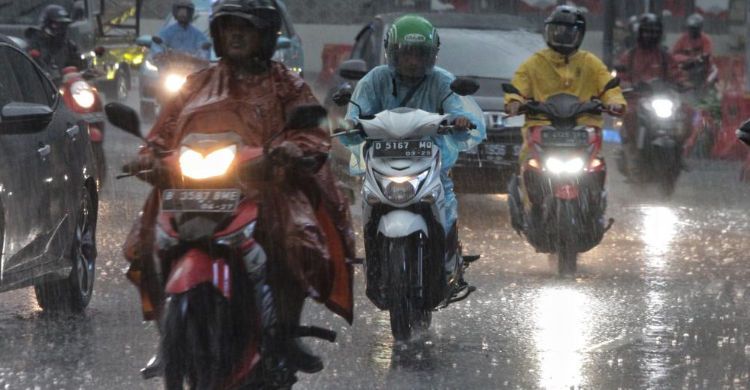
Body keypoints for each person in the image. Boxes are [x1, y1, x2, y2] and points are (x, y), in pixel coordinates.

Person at [124, 0, 355, 376]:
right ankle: (167, 335)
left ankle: (286, 330)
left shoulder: (287, 84)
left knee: (298, 237)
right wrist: (146, 155)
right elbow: (163, 133)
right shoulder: (196, 83)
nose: (235, 34)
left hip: (266, 187)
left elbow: (313, 131)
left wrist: (292, 148)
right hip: (194, 186)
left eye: (244, 27)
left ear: (264, 34)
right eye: (228, 26)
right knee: (146, 237)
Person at [339, 14, 486, 241]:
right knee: (369, 206)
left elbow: (456, 108)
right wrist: (351, 124)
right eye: (406, 53)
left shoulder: (442, 81)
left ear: (432, 54)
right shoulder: (375, 79)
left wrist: (460, 121)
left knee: (445, 211)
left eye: (419, 54)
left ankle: (447, 254)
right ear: (392, 52)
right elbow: (355, 115)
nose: (413, 61)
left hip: (429, 162)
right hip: (381, 162)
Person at [505, 5, 625, 171]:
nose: (561, 35)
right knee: (528, 160)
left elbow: (608, 86)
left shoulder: (590, 62)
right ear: (548, 31)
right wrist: (514, 101)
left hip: (583, 125)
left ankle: (596, 193)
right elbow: (518, 84)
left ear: (579, 35)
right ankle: (527, 194)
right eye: (556, 30)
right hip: (543, 123)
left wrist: (614, 101)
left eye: (568, 31)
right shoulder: (535, 62)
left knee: (596, 164)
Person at [616, 13, 685, 173]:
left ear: (660, 34)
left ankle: (679, 151)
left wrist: (680, 83)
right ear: (640, 33)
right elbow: (620, 77)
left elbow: (676, 74)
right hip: (636, 99)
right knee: (629, 114)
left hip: (661, 99)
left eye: (654, 32)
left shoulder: (665, 56)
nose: (651, 35)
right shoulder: (630, 55)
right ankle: (633, 154)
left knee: (685, 112)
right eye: (647, 31)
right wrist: (630, 85)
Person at [25, 4, 86, 80]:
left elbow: (80, 66)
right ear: (47, 24)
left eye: (64, 25)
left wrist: (88, 72)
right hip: (44, 89)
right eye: (57, 25)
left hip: (65, 89)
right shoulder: (34, 46)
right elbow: (29, 72)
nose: (62, 28)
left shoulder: (69, 45)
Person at [671, 13, 716, 91]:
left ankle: (705, 88)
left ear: (700, 28)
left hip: (703, 67)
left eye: (695, 28)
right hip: (686, 66)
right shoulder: (683, 38)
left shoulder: (706, 39)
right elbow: (674, 54)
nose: (692, 31)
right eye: (690, 28)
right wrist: (687, 60)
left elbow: (706, 55)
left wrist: (695, 60)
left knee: (710, 72)